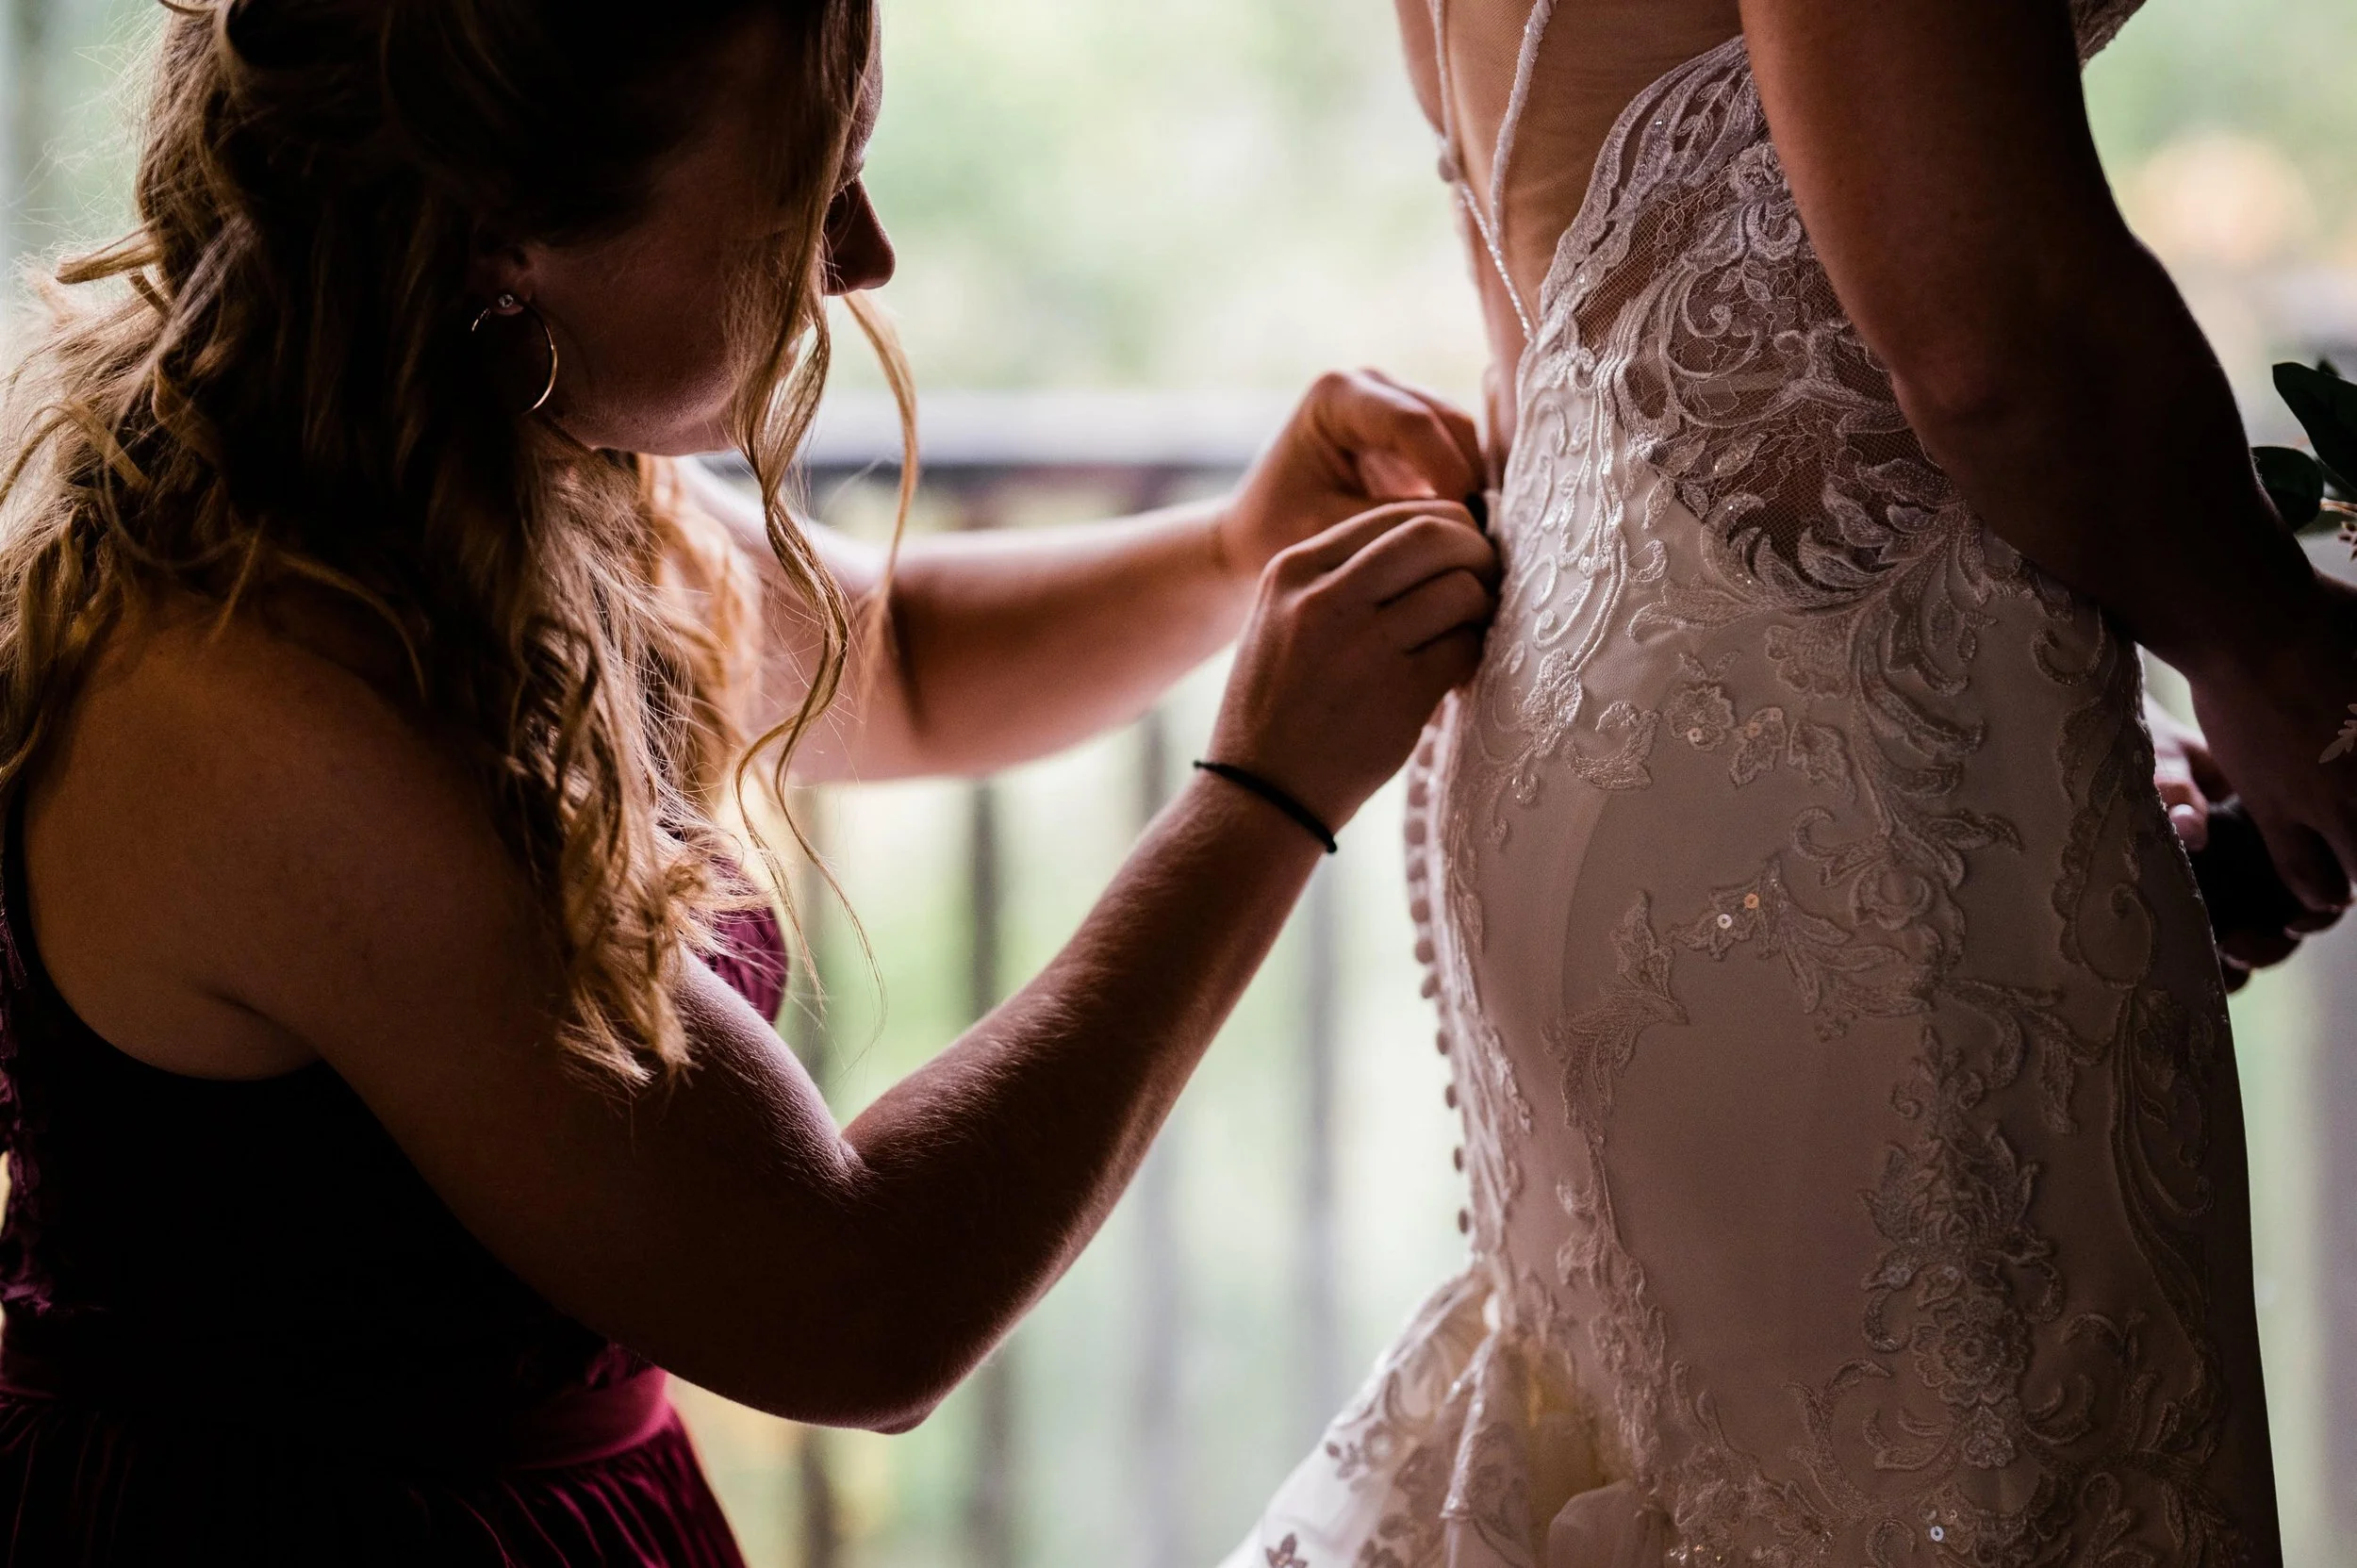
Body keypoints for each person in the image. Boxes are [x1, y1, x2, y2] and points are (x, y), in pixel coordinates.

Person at [0, 1, 1500, 1561]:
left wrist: (1227, 548)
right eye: (805, 194)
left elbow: (893, 657)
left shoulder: (493, 453)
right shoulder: (264, 706)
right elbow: (857, 1298)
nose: (865, 258)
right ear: (505, 228)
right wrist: (1262, 796)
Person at [1225, 0, 2332, 1560]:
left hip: (1626, 693)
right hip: (1821, 821)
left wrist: (2015, 723)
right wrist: (2273, 650)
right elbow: (1982, 325)